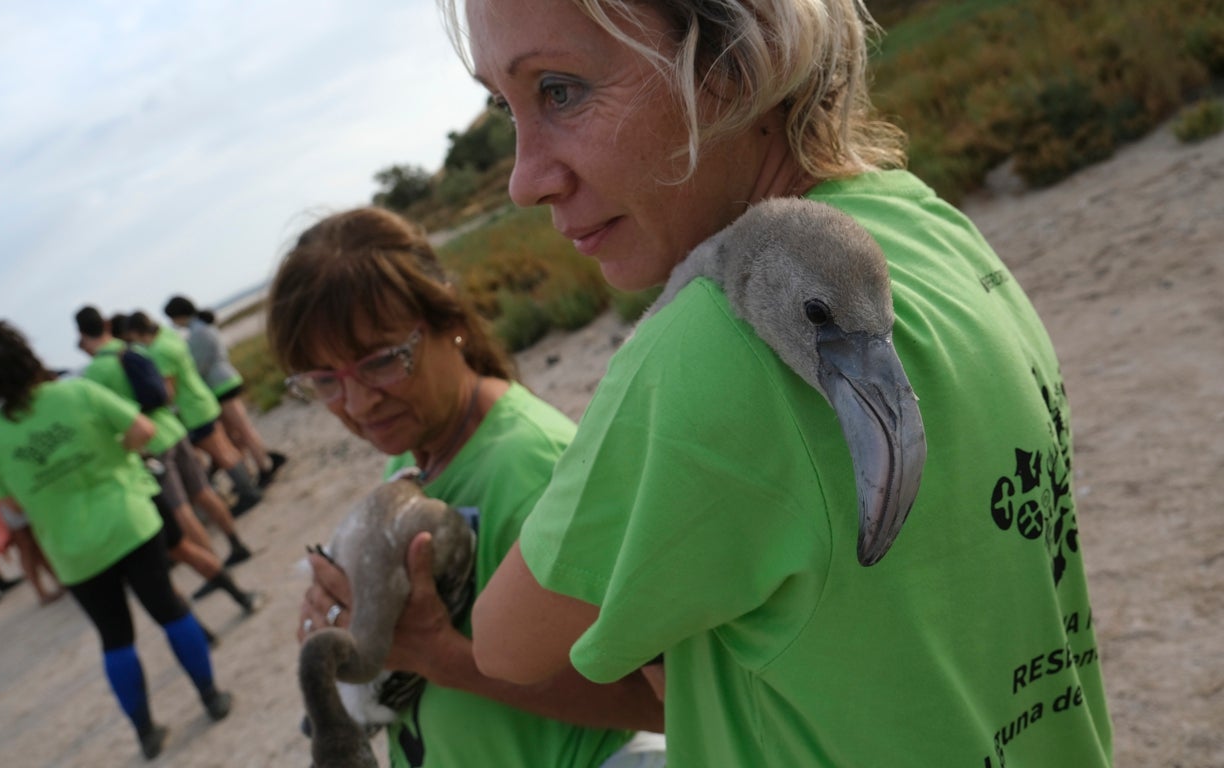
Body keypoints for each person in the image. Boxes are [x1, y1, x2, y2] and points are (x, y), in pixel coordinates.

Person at [444, 0, 1115, 766]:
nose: (524, 181)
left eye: (560, 89)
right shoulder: (924, 223)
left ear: (733, 62)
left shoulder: (717, 343)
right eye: (507, 107)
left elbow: (504, 645)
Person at [267, 207, 664, 768]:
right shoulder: (411, 458)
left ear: (449, 319)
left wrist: (442, 657)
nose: (355, 405)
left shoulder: (534, 468)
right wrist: (355, 628)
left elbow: (660, 700)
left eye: (382, 362)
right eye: (324, 381)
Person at [0, 320, 232, 760]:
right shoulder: (74, 392)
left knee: (115, 639)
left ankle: (146, 733)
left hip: (73, 550)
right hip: (129, 520)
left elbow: (8, 507)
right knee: (169, 609)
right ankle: (211, 697)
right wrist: (115, 452)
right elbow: (144, 430)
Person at [74, 305, 260, 610]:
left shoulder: (94, 373)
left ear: (82, 336)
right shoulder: (132, 349)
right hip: (173, 428)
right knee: (203, 490)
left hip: (151, 445)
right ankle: (237, 543)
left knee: (180, 509)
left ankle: (215, 570)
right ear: (106, 324)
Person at [125, 311, 265, 516]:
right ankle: (249, 486)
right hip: (203, 400)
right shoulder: (168, 336)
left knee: (221, 454)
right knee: (225, 449)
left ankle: (248, 492)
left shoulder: (158, 351)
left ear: (136, 333)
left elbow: (169, 392)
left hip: (192, 410)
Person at [162, 295, 287, 488]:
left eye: (172, 318)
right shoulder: (200, 327)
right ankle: (262, 462)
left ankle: (264, 466)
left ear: (178, 315)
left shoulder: (198, 332)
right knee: (239, 430)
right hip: (225, 380)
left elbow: (199, 366)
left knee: (243, 430)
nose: (172, 323)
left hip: (221, 385)